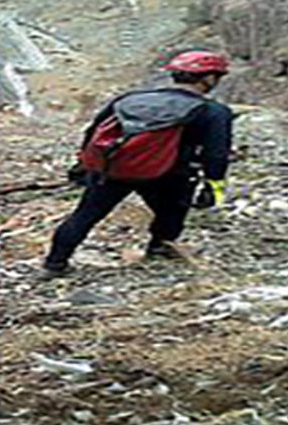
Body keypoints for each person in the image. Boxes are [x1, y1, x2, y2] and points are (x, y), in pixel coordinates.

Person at [43, 51, 234, 278]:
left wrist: (84, 165)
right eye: (217, 77)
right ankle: (159, 250)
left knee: (85, 216)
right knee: (172, 213)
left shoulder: (130, 99)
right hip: (170, 175)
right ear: (208, 78)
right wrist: (214, 186)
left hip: (114, 169)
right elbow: (216, 154)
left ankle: (55, 264)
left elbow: (94, 132)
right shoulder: (214, 112)